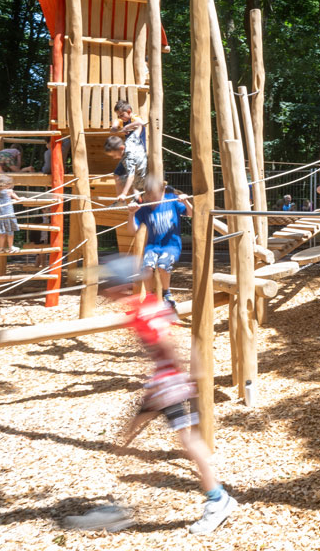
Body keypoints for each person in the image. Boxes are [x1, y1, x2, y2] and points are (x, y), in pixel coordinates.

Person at [65, 292, 236, 535]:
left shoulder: (145, 315)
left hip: (168, 387)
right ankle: (121, 506)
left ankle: (218, 499)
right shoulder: (142, 309)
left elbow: (166, 345)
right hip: (161, 386)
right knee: (128, 438)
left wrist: (180, 373)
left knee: (188, 442)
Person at [128, 176, 192, 307]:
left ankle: (166, 293)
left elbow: (191, 213)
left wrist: (186, 202)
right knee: (147, 268)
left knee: (163, 266)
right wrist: (131, 213)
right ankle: (149, 297)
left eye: (154, 194)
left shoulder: (172, 201)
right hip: (153, 246)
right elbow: (132, 230)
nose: (151, 197)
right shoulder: (145, 208)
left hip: (171, 245)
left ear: (162, 191)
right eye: (148, 194)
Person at [106, 102, 148, 203]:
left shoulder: (134, 118)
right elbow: (113, 129)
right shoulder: (122, 120)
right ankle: (121, 199)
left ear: (129, 112)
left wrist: (127, 127)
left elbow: (141, 123)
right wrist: (116, 127)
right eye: (118, 115)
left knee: (131, 176)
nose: (121, 117)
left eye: (122, 115)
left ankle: (135, 197)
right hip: (129, 152)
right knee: (117, 174)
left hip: (137, 153)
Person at [0, 174, 21, 254]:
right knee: (10, 232)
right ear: (8, 184)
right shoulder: (9, 191)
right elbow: (18, 199)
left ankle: (1, 248)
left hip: (0, 215)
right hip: (9, 214)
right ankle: (11, 247)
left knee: (2, 233)